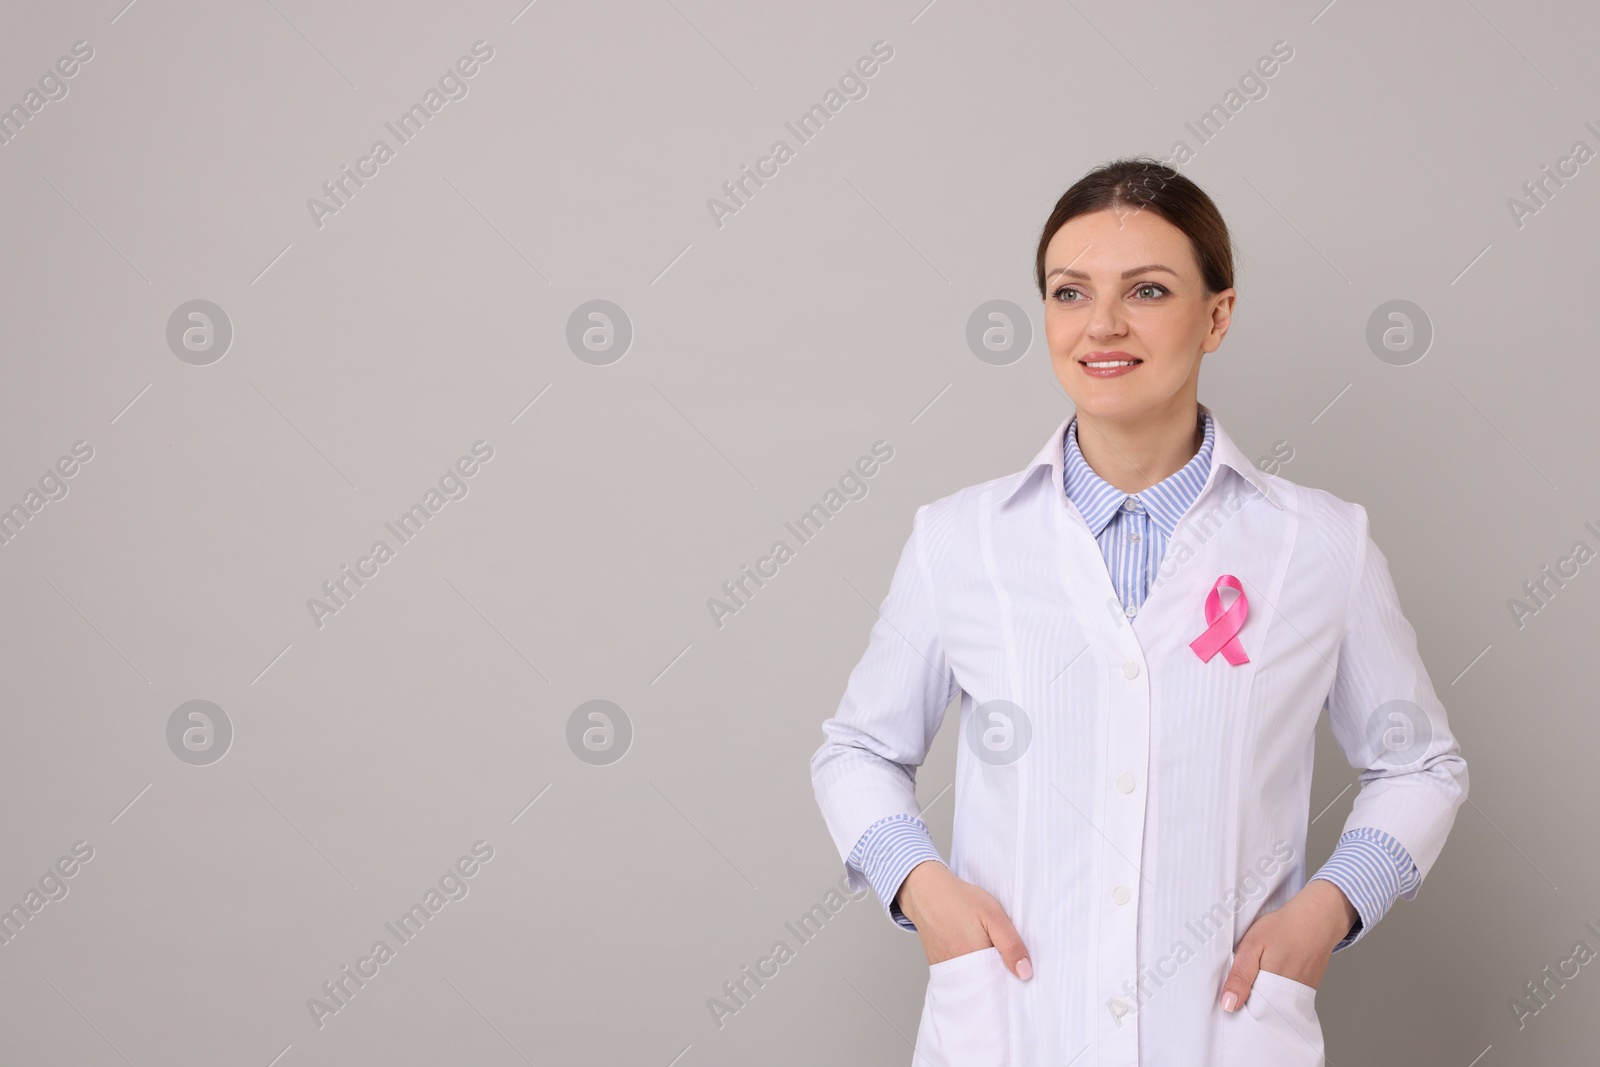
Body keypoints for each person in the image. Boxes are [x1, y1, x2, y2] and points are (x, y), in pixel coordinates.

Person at [808, 156, 1468, 1066]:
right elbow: (858, 751)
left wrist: (1330, 907)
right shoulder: (960, 540)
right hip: (1011, 1029)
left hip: (1226, 1034)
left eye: (1147, 290)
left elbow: (1420, 763)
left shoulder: (1319, 543)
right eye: (1070, 292)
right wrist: (923, 890)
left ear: (1218, 314)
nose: (1102, 325)